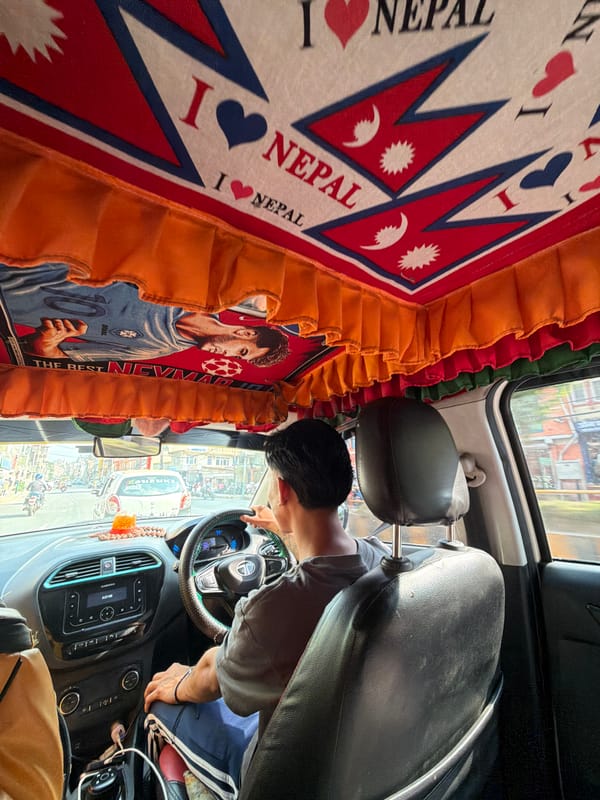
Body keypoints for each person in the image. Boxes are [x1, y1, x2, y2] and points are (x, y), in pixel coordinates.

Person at [143, 419, 390, 798]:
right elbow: (322, 560)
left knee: (159, 702)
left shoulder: (272, 607)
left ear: (281, 489)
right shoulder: (381, 560)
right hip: (357, 751)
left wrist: (176, 685)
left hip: (277, 774)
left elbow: (212, 681)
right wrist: (284, 527)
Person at [0, 263, 289, 367]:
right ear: (245, 332)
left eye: (239, 358)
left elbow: (50, 357)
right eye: (240, 352)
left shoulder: (151, 350)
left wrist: (49, 341)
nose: (227, 357)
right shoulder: (188, 285)